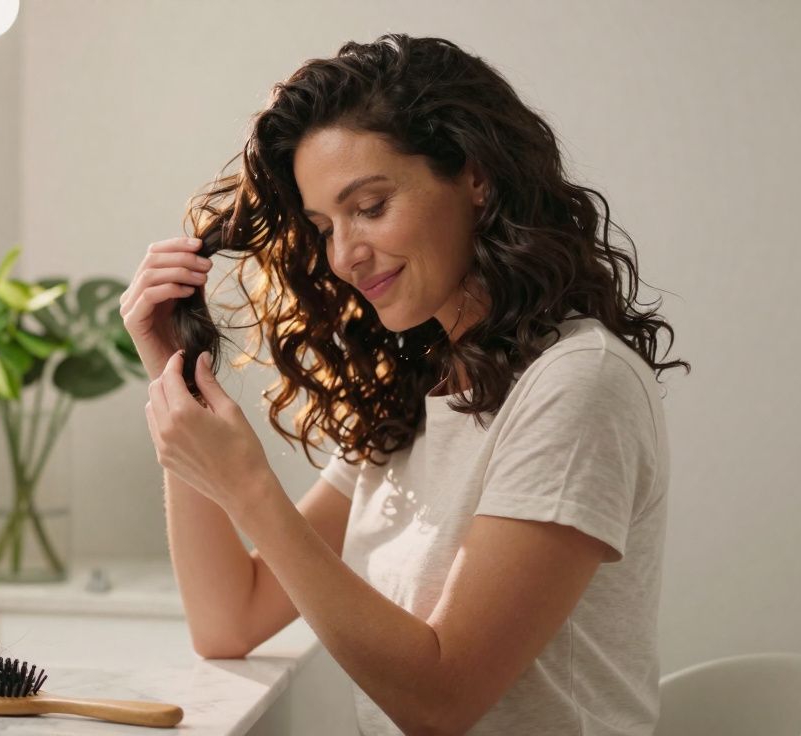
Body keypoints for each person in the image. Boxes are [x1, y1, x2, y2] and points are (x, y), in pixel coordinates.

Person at [119, 34, 690, 736]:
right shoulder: (415, 393)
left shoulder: (577, 384)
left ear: (477, 177)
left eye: (370, 206)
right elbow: (227, 621)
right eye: (323, 227)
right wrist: (173, 373)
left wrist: (250, 488)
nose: (343, 256)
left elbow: (441, 702)